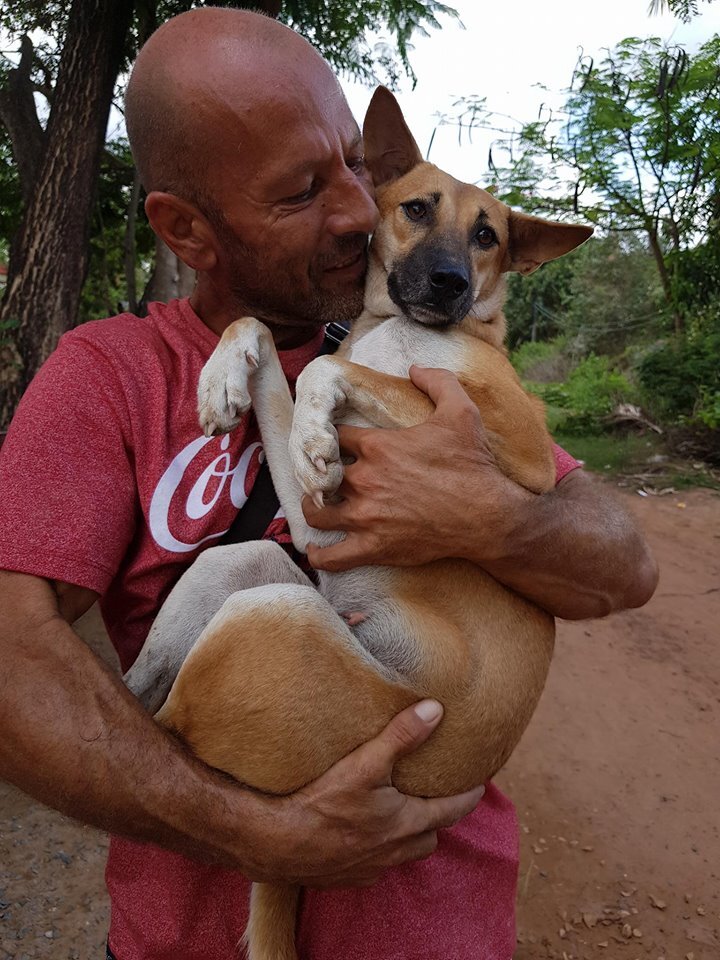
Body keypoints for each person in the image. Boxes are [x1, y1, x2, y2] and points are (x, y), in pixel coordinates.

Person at [0, 8, 658, 960]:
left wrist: (491, 520)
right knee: (234, 587)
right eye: (304, 190)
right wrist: (258, 832)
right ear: (186, 228)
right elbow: (12, 661)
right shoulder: (109, 374)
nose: (358, 208)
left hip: (439, 925)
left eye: (356, 164)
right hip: (190, 931)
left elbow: (624, 566)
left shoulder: (431, 361)